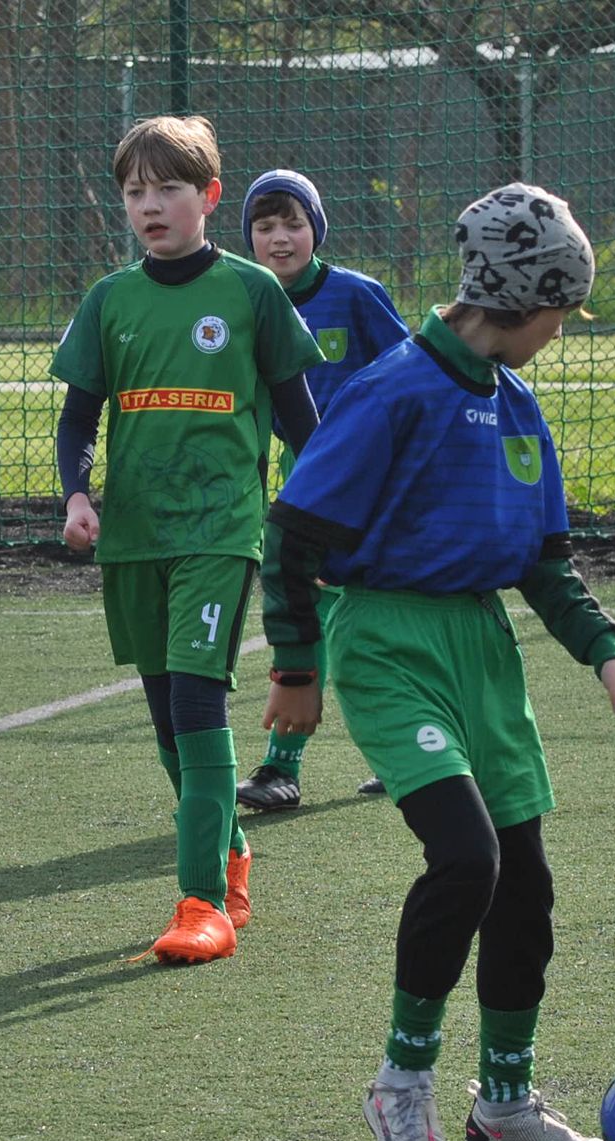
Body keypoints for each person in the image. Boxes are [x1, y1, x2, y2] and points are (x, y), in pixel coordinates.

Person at [258, 183, 615, 1141]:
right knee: (466, 858)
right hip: (387, 645)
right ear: (520, 301)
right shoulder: (393, 390)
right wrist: (297, 668)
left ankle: (506, 1107)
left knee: (524, 883)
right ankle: (401, 1082)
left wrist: (603, 652)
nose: (560, 332)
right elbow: (293, 535)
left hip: (482, 651)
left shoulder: (515, 406)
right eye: (560, 313)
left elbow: (544, 562)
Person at [52, 115, 325, 965]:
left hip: (220, 526)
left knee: (200, 702)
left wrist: (321, 515)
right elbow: (77, 417)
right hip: (135, 534)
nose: (150, 205)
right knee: (168, 717)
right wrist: (76, 493)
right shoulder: (110, 300)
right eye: (135, 192)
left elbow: (298, 418)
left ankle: (202, 898)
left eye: (167, 188)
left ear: (208, 196)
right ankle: (231, 852)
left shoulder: (252, 292)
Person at [233, 169, 408, 813]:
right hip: (301, 495)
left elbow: (410, 377)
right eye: (265, 226)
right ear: (248, 236)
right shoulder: (243, 302)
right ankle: (281, 771)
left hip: (372, 496)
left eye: (294, 224)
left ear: (316, 230)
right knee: (303, 619)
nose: (280, 238)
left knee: (379, 624)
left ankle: (410, 753)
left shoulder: (358, 296)